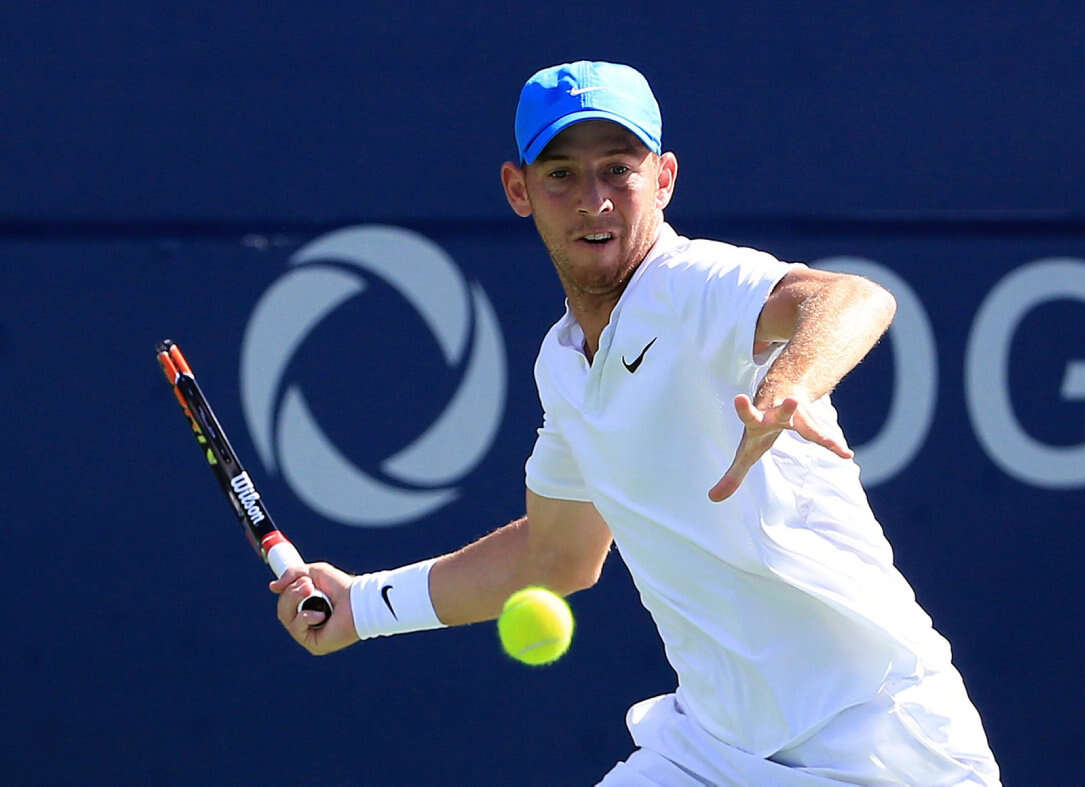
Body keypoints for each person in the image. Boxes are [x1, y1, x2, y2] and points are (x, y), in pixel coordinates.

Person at [270, 60, 1001, 785]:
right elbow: (556, 556)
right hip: (715, 748)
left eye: (618, 170)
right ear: (519, 190)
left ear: (664, 179)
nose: (594, 201)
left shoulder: (695, 284)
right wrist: (363, 605)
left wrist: (792, 384)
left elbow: (852, 297)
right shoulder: (563, 365)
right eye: (561, 174)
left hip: (881, 744)